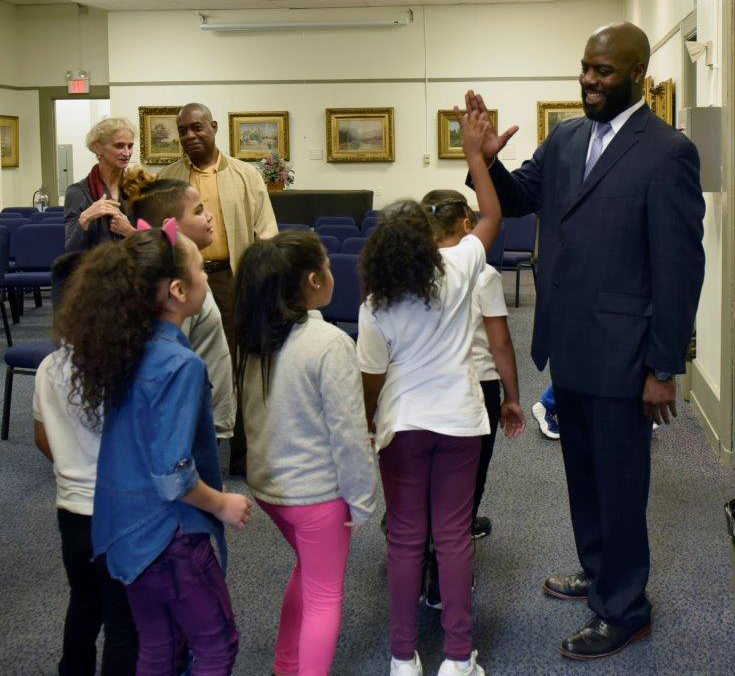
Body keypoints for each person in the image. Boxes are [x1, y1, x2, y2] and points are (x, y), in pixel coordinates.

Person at [466, 21, 705, 660]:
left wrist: (663, 366)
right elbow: (518, 199)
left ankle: (626, 609)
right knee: (584, 476)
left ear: (636, 78)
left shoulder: (667, 153)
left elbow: (681, 269)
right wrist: (486, 160)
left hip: (626, 355)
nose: (589, 80)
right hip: (567, 343)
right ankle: (599, 572)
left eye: (603, 71)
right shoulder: (567, 138)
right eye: (585, 67)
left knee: (621, 483)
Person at [55, 226, 252, 675]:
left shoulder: (125, 348)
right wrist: (223, 503)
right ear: (179, 290)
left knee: (159, 648)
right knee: (217, 646)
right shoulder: (181, 364)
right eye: (202, 269)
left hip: (124, 532)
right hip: (170, 537)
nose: (208, 277)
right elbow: (174, 474)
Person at [358, 108, 502, 676]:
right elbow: (491, 213)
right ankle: (459, 659)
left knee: (404, 540)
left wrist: (372, 421)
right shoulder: (462, 265)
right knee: (454, 537)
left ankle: (402, 658)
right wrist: (473, 155)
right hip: (461, 423)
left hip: (403, 428)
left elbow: (371, 379)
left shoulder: (377, 302)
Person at [234, 230, 376, 676]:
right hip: (317, 495)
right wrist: (362, 497)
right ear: (314, 281)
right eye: (329, 266)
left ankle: (286, 664)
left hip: (269, 489)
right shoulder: (330, 343)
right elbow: (349, 434)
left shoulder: (256, 337)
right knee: (325, 598)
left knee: (310, 574)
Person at [33, 253, 138, 676]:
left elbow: (43, 439)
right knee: (122, 622)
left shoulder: (50, 365)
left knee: (82, 603)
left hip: (71, 510)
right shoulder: (128, 366)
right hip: (118, 513)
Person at [159, 102, 278, 476]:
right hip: (183, 280)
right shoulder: (169, 177)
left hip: (231, 279)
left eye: (197, 128)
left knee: (240, 365)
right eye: (182, 131)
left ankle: (242, 455)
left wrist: (261, 284)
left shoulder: (245, 175)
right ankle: (188, 451)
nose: (190, 136)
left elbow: (266, 232)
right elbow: (156, 232)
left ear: (213, 127)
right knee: (186, 364)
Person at [122, 168, 236, 440]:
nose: (208, 216)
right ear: (170, 224)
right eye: (198, 211)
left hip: (199, 417)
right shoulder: (174, 287)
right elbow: (167, 364)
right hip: (184, 421)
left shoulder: (192, 278)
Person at [65, 117, 137, 252]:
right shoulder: (77, 192)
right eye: (119, 145)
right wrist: (86, 218)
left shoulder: (139, 188)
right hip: (94, 270)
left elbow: (155, 245)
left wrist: (130, 232)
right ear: (98, 148)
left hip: (134, 270)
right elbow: (71, 250)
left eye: (130, 146)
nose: (127, 153)